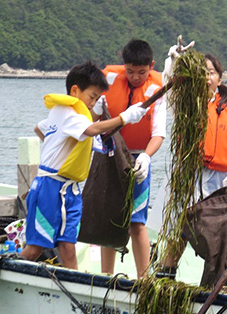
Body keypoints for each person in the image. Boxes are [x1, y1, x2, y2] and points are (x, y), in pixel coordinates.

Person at [21, 61, 148, 269]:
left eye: (98, 98)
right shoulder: (69, 113)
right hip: (49, 188)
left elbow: (39, 128)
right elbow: (92, 130)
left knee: (68, 248)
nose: (93, 103)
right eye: (92, 97)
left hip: (70, 190)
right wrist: (124, 117)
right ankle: (2, 269)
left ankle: (73, 292)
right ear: (75, 90)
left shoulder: (61, 114)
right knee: (35, 248)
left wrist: (56, 145)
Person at [158, 53, 227, 284]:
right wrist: (173, 64)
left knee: (217, 239)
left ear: (219, 79)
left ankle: (219, 285)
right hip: (189, 182)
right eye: (200, 73)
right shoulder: (185, 104)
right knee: (179, 232)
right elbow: (169, 89)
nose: (205, 77)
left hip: (220, 187)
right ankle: (164, 279)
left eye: (210, 72)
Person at [92, 39, 167, 278]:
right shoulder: (109, 80)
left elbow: (158, 133)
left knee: (137, 221)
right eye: (130, 71)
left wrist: (146, 156)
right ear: (123, 65)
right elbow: (91, 117)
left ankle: (143, 279)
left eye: (142, 72)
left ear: (151, 66)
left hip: (138, 160)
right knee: (110, 217)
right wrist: (96, 107)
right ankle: (105, 275)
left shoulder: (158, 89)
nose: (135, 77)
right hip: (111, 156)